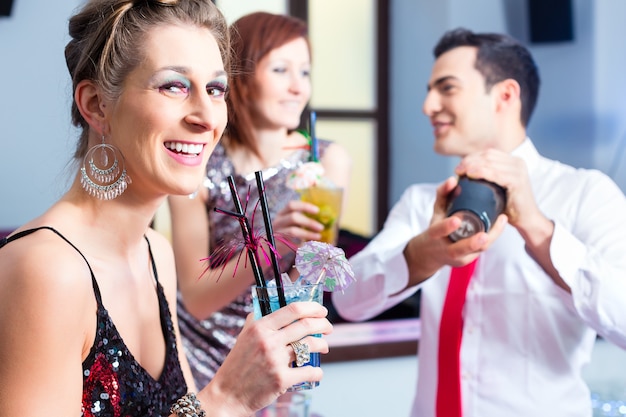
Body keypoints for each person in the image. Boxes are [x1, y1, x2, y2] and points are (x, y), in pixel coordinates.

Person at [0, 1, 333, 416]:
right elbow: (204, 409)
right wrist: (227, 398)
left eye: (215, 90)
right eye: (173, 86)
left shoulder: (156, 252)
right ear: (96, 104)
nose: (206, 117)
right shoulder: (46, 270)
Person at [332, 27, 626, 417]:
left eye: (446, 88)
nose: (427, 105)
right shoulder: (422, 203)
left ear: (505, 95)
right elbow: (347, 301)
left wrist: (538, 228)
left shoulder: (585, 193)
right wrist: (423, 254)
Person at [168, 11, 351, 388]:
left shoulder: (325, 160)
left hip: (282, 348)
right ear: (242, 80)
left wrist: (314, 254)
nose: (299, 87)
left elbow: (311, 283)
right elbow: (199, 299)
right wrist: (268, 247)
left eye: (305, 72)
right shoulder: (198, 159)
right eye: (281, 70)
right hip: (197, 359)